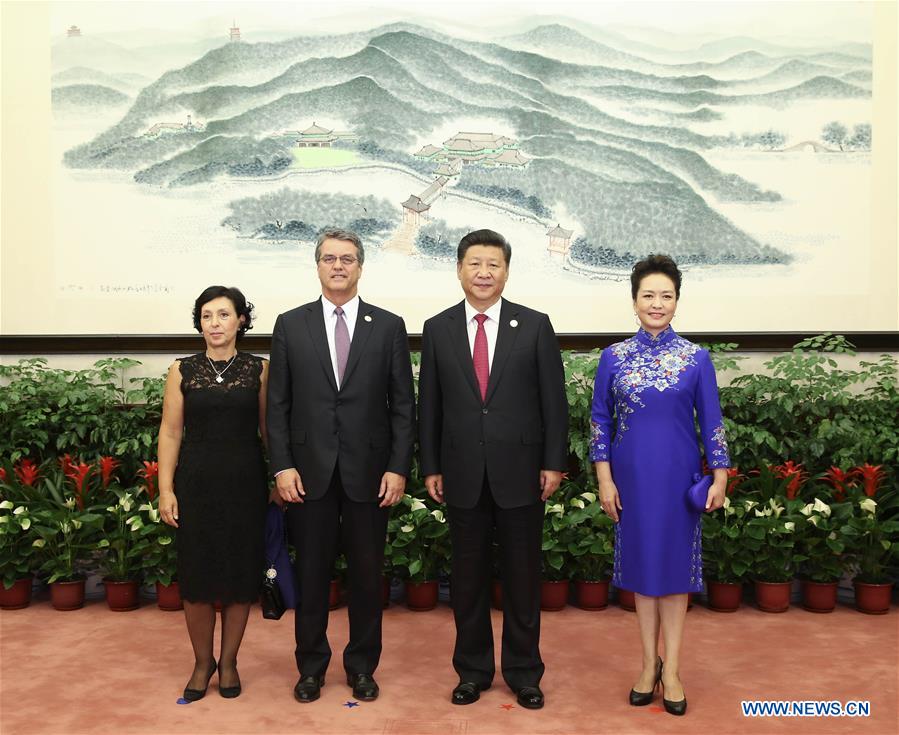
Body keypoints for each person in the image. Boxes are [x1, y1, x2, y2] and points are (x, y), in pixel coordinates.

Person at [418, 228, 568, 710]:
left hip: (523, 471)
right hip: (461, 472)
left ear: (506, 270)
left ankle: (524, 672)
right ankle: (473, 670)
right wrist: (432, 466)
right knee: (467, 579)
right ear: (459, 269)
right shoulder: (438, 328)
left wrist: (553, 463)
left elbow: (554, 403)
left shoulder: (535, 324)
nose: (484, 273)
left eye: (494, 265)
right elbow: (430, 408)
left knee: (523, 579)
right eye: (475, 264)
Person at [267, 227, 415, 704]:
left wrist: (397, 467)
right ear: (317, 266)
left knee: (368, 577)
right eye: (329, 258)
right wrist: (282, 465)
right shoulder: (291, 324)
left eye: (347, 259)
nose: (337, 266)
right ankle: (310, 667)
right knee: (311, 575)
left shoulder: (388, 326)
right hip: (307, 474)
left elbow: (402, 407)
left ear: (360, 266)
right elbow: (278, 406)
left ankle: (361, 667)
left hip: (371, 474)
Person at [590, 254, 729, 716]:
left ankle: (673, 670)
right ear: (634, 301)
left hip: (678, 481)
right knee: (643, 577)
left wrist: (721, 476)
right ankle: (648, 665)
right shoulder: (613, 358)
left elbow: (712, 421)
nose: (656, 303)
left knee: (674, 578)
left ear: (676, 302)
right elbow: (599, 423)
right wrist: (604, 480)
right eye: (648, 295)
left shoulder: (696, 358)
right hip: (630, 481)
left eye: (665, 295)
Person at [158, 286, 269, 701]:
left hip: (245, 486)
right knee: (198, 577)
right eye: (207, 316)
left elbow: (268, 431)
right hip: (195, 486)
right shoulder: (182, 370)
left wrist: (279, 478)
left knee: (241, 577)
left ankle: (229, 662)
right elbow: (170, 432)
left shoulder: (259, 369)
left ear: (242, 319)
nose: (215, 324)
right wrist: (165, 489)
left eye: (224, 315)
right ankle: (202, 662)